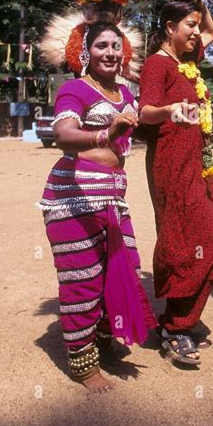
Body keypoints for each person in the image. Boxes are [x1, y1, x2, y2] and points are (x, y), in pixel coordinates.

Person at [38, 21, 157, 392]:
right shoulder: (75, 89)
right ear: (86, 52)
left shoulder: (124, 93)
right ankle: (82, 362)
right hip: (74, 199)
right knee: (83, 280)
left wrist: (172, 112)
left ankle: (102, 339)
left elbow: (142, 115)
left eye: (116, 46)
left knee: (124, 270)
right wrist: (106, 133)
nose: (110, 52)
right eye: (102, 46)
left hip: (111, 198)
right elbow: (63, 134)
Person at [138, 0, 213, 367]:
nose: (196, 32)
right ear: (169, 27)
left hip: (198, 165)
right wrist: (170, 110)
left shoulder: (188, 62)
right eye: (188, 25)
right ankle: (175, 329)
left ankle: (183, 319)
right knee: (183, 239)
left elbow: (212, 30)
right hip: (171, 165)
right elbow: (145, 110)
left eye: (195, 24)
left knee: (211, 240)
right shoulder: (156, 64)